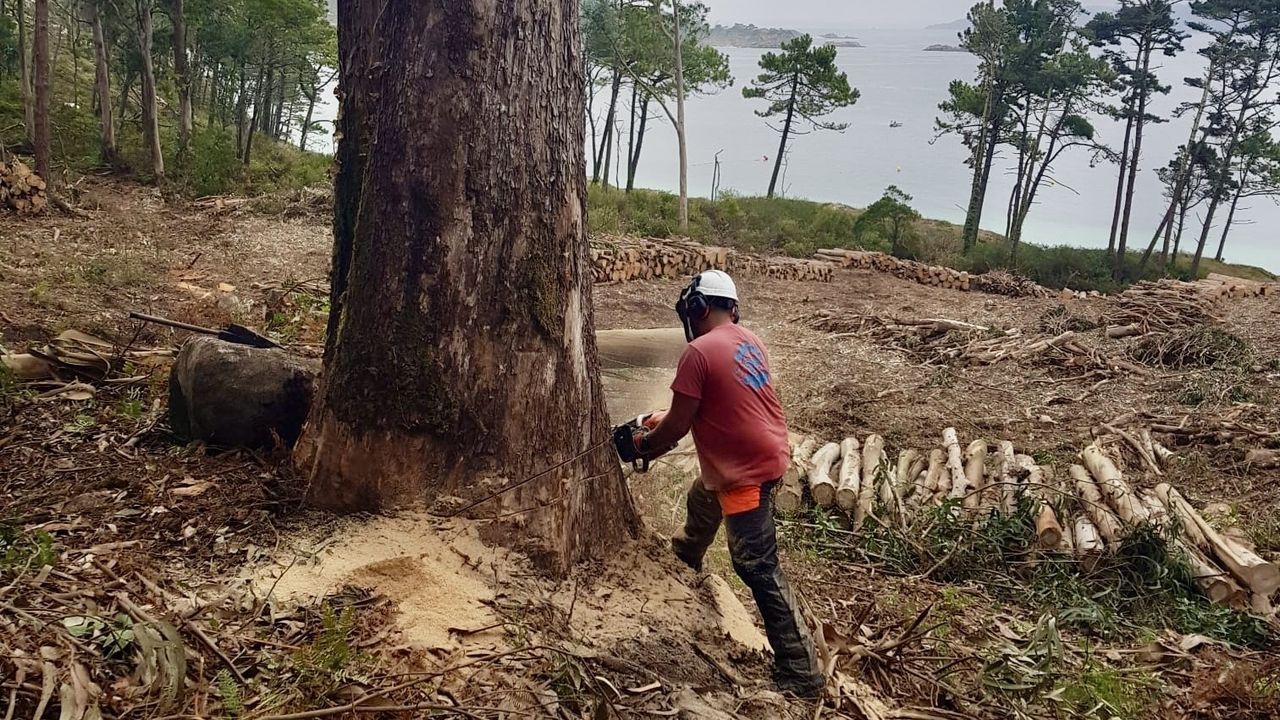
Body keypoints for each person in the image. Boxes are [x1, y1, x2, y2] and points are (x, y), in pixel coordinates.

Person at [630, 270, 824, 698]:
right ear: (731, 308)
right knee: (703, 498)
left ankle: (800, 671)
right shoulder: (748, 339)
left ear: (697, 309)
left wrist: (644, 444)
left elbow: (677, 428)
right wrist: (664, 418)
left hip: (745, 471)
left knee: (754, 564)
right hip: (770, 453)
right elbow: (721, 398)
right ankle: (684, 559)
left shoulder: (698, 352)